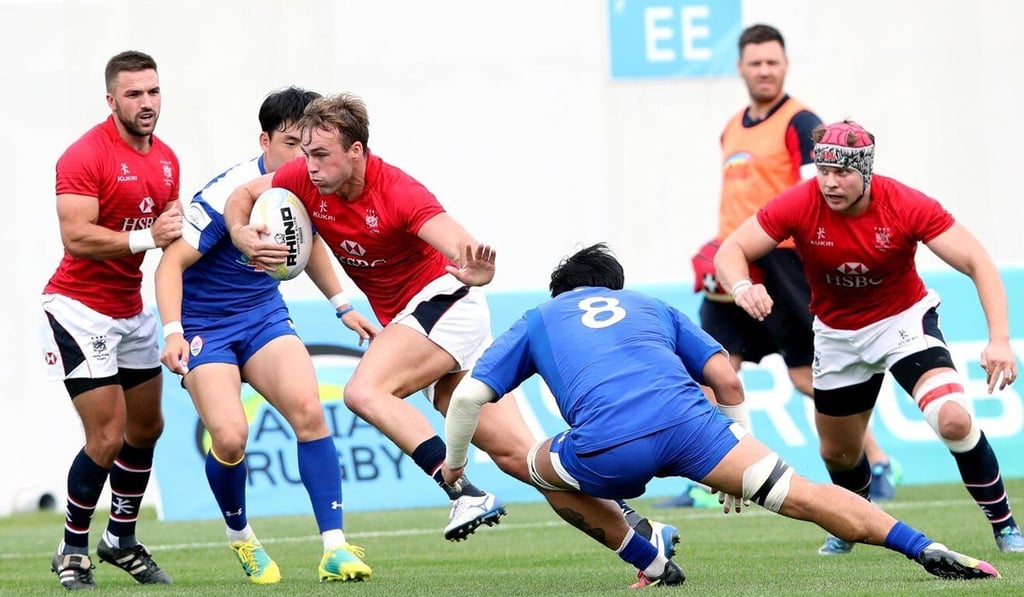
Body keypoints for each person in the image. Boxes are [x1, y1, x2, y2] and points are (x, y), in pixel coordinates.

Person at [222, 92, 679, 563]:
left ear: (356, 151)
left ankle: (460, 489)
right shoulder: (302, 177)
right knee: (524, 461)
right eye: (306, 154)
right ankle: (645, 540)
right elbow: (243, 194)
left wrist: (477, 268)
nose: (309, 165)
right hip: (417, 323)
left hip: (445, 306)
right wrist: (240, 231)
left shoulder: (398, 191)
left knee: (364, 391)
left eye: (321, 154)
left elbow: (459, 243)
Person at [442, 243, 1001, 588]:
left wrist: (457, 468)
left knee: (534, 466)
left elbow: (467, 399)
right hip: (698, 431)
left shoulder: (541, 316)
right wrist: (738, 448)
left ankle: (649, 558)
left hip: (609, 446)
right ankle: (921, 545)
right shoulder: (653, 306)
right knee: (804, 493)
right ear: (616, 287)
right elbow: (727, 380)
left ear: (562, 292)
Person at [715, 119, 1024, 556]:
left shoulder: (905, 204)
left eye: (842, 173)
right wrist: (743, 286)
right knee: (838, 454)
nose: (830, 182)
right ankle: (851, 519)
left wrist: (999, 339)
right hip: (837, 336)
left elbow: (977, 261)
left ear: (866, 174)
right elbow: (732, 250)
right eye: (824, 171)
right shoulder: (801, 201)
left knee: (953, 419)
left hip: (902, 324)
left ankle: (1005, 525)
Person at [667, 23, 900, 512]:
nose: (765, 70)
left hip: (786, 262)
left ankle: (877, 461)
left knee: (804, 375)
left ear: (785, 65)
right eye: (756, 63)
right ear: (741, 68)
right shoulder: (732, 126)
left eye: (773, 61)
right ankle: (715, 476)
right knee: (713, 372)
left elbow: (825, 191)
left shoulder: (801, 121)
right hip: (732, 270)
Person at [154, 87, 372, 584]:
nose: (303, 157)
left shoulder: (310, 181)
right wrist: (172, 333)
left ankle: (335, 549)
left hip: (263, 317)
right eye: (292, 143)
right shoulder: (223, 196)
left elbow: (306, 241)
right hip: (205, 325)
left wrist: (343, 307)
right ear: (265, 140)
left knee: (310, 410)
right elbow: (169, 266)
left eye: (312, 145)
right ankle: (241, 537)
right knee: (230, 437)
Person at [38, 50, 181, 590]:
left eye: (153, 91)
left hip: (130, 309)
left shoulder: (166, 158)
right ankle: (71, 550)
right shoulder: (85, 154)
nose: (147, 104)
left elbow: (172, 240)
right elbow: (76, 236)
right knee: (107, 435)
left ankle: (120, 539)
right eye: (134, 94)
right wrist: (149, 237)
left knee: (148, 428)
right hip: (78, 310)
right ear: (111, 99)